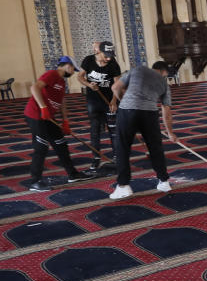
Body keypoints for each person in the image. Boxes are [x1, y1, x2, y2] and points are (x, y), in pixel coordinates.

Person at [109, 61, 179, 199]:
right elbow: (166, 110)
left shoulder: (138, 69)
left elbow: (115, 87)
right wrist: (170, 133)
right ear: (163, 71)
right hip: (150, 113)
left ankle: (123, 186)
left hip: (128, 110)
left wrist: (123, 100)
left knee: (122, 147)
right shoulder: (164, 83)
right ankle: (164, 181)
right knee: (155, 148)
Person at [23, 56, 92, 191]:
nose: (72, 73)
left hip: (49, 118)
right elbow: (35, 88)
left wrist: (65, 121)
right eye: (73, 69)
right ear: (67, 65)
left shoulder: (61, 81)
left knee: (61, 144)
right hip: (36, 115)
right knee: (41, 146)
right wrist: (43, 107)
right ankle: (35, 181)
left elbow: (62, 102)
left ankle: (73, 174)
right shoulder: (52, 74)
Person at [77, 41, 122, 170]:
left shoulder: (113, 64)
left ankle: (116, 157)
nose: (108, 58)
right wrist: (88, 84)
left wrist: (114, 101)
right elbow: (79, 77)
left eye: (110, 55)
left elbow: (117, 85)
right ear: (99, 52)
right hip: (93, 101)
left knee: (114, 130)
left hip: (109, 101)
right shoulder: (88, 61)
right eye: (106, 55)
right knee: (95, 129)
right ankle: (96, 158)